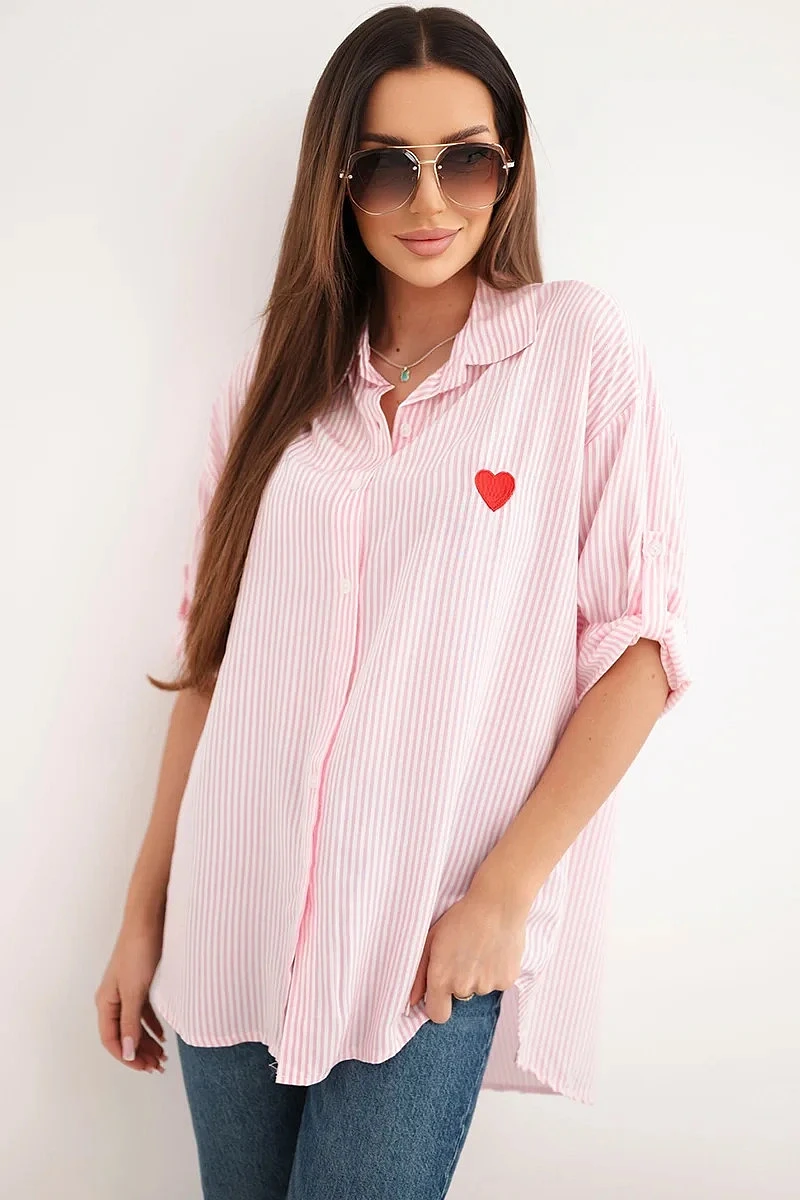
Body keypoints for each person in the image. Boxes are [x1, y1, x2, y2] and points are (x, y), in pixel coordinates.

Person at [95, 6, 693, 1198]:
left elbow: (637, 648)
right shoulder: (270, 388)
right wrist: (142, 913)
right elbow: (213, 666)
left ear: (507, 168)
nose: (428, 202)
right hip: (234, 914)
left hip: (425, 932)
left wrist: (501, 898)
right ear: (336, 180)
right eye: (384, 167)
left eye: (463, 161)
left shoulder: (573, 349)